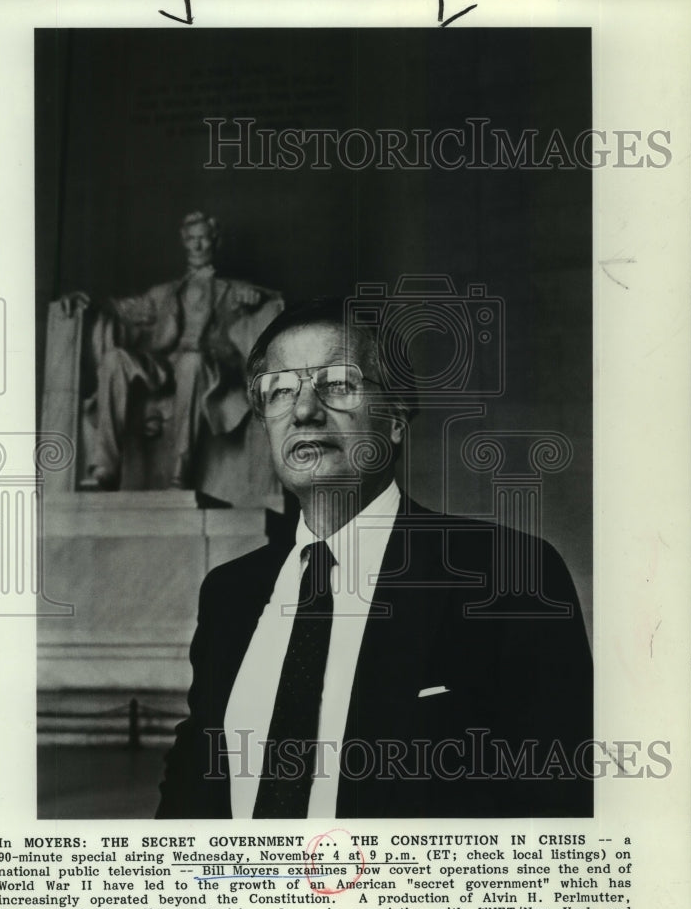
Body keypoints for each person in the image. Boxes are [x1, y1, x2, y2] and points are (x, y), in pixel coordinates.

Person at [156, 296, 593, 819]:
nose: (303, 410)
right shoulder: (229, 594)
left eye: (338, 384)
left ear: (395, 420)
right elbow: (190, 801)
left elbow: (559, 807)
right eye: (280, 391)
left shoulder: (509, 576)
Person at [61, 211, 282, 496]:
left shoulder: (231, 290)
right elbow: (122, 309)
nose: (198, 245)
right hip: (164, 365)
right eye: (192, 239)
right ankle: (106, 468)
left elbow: (273, 298)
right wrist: (88, 304)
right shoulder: (163, 293)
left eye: (203, 238)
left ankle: (181, 472)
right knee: (115, 358)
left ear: (215, 241)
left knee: (192, 362)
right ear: (184, 242)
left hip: (207, 367)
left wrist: (255, 296)